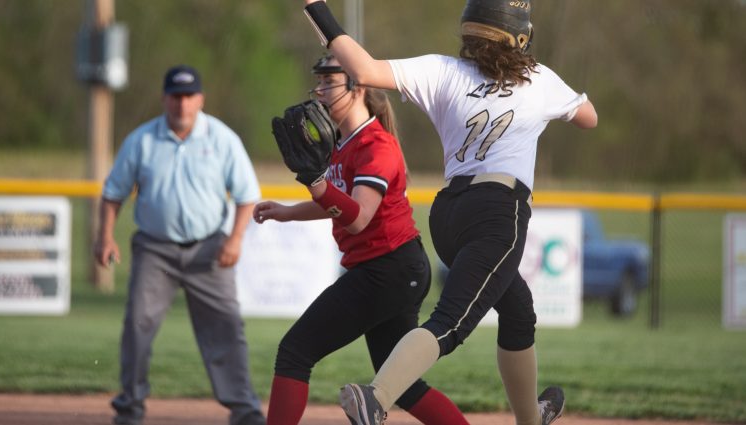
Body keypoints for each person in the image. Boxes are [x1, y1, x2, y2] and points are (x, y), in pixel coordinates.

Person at [299, 1, 599, 425]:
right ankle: (376, 398)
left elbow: (361, 69)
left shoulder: (442, 71)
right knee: (450, 323)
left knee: (517, 309)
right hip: (500, 212)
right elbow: (589, 118)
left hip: (449, 217)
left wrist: (316, 7)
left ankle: (532, 416)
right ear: (520, 36)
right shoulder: (538, 78)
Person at [254, 55, 470, 425]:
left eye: (330, 82)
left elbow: (358, 218)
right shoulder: (341, 144)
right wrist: (288, 211)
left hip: (388, 269)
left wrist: (316, 182)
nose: (320, 91)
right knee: (403, 385)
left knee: (294, 352)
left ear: (360, 88)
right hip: (394, 270)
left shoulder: (377, 146)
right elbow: (340, 205)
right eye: (318, 82)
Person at [93, 65, 266, 425]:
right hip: (155, 250)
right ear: (164, 98)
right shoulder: (141, 140)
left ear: (200, 99)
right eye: (175, 96)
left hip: (210, 249)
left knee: (227, 327)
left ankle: (244, 410)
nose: (182, 104)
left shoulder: (222, 138)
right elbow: (113, 193)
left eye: (189, 96)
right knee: (138, 324)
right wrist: (105, 236)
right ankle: (130, 407)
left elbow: (247, 196)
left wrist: (235, 240)